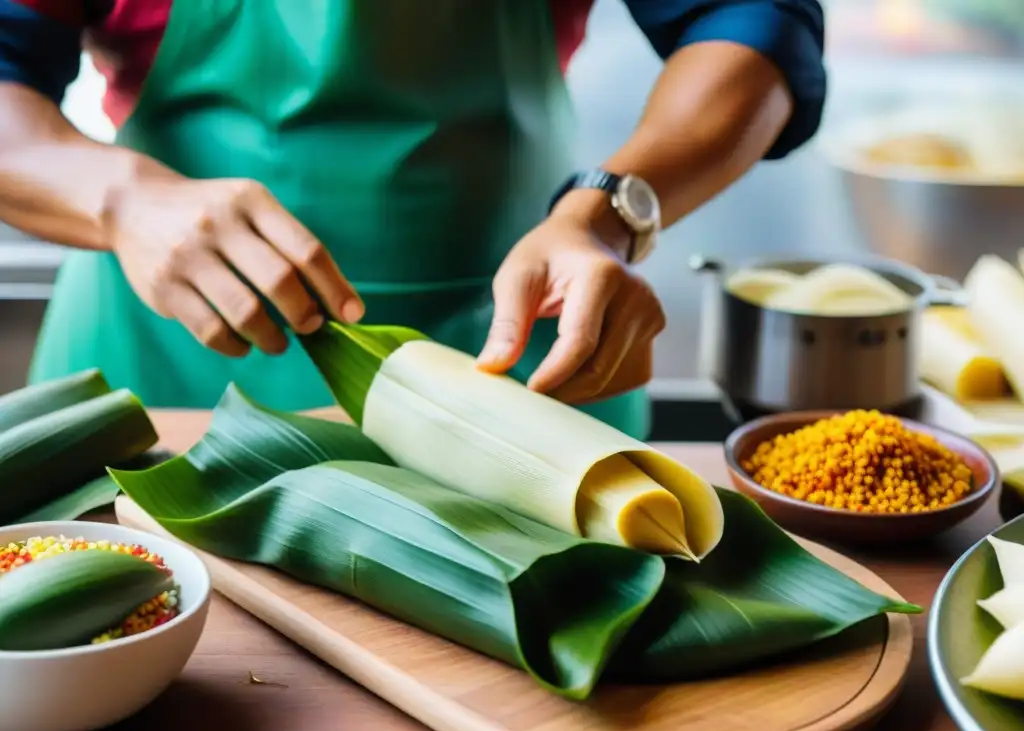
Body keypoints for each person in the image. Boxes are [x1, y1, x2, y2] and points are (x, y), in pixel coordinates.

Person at [0, 0, 825, 440]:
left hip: (516, 352)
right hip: (166, 366)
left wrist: (606, 216)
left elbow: (752, 22)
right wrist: (123, 199)